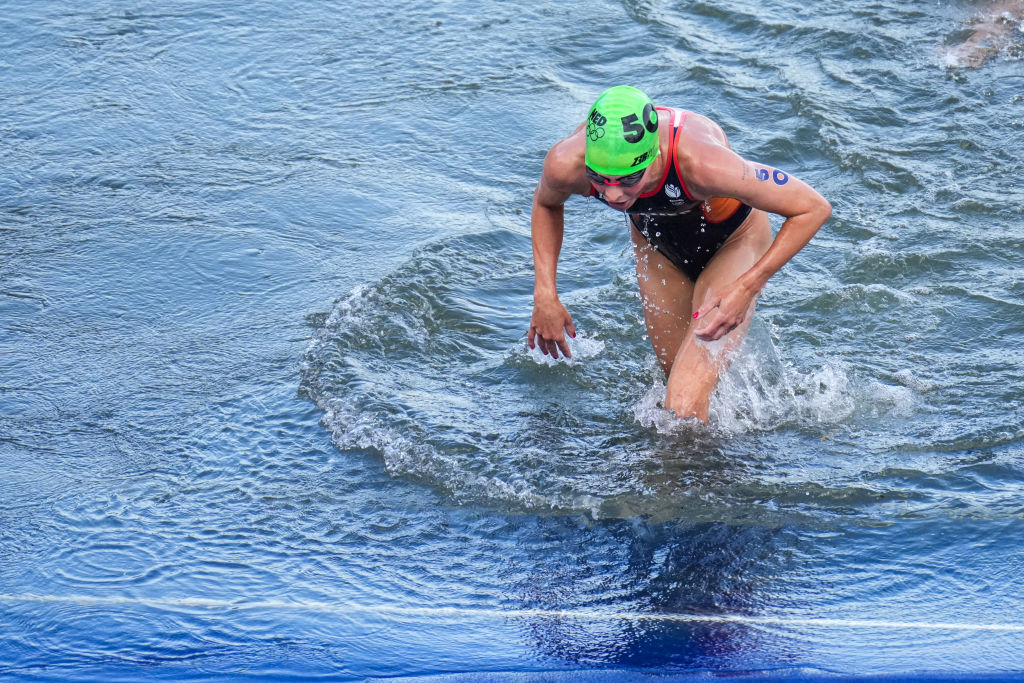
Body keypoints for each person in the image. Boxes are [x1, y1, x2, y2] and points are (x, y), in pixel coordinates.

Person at [527, 85, 831, 423]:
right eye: (600, 179)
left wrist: (746, 287)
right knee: (674, 387)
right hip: (658, 244)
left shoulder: (703, 163)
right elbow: (546, 204)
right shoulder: (566, 163)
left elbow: (812, 208)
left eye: (628, 179)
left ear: (653, 155)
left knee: (683, 404)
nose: (613, 195)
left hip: (733, 240)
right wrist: (545, 294)